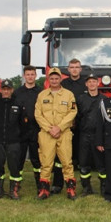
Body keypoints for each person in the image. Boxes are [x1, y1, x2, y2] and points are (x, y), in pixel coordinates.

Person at [35, 67, 78, 199]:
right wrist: (50, 129)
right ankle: (44, 190)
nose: (54, 80)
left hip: (63, 133)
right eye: (52, 78)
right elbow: (38, 115)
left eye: (56, 78)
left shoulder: (69, 94)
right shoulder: (42, 95)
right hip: (46, 134)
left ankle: (70, 189)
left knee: (67, 162)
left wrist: (59, 127)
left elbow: (72, 112)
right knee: (46, 162)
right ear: (48, 79)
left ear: (60, 79)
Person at [0, 79, 25, 200]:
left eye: (8, 89)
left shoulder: (18, 104)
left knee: (14, 166)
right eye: (4, 89)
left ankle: (14, 190)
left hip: (13, 141)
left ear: (12, 90)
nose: (6, 91)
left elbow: (23, 124)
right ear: (0, 90)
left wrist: (18, 136)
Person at [13, 66, 43, 195]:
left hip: (36, 130)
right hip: (21, 131)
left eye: (32, 74)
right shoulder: (17, 92)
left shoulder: (41, 92)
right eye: (28, 74)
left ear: (35, 76)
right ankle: (16, 186)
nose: (30, 77)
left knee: (37, 159)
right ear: (24, 76)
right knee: (19, 160)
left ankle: (40, 185)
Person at [74, 73, 104, 197]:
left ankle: (104, 188)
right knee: (84, 163)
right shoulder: (80, 99)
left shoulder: (104, 100)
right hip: (84, 135)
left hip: (99, 136)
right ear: (86, 84)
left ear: (98, 83)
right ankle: (86, 188)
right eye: (89, 82)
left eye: (94, 81)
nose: (92, 84)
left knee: (102, 164)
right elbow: (75, 116)